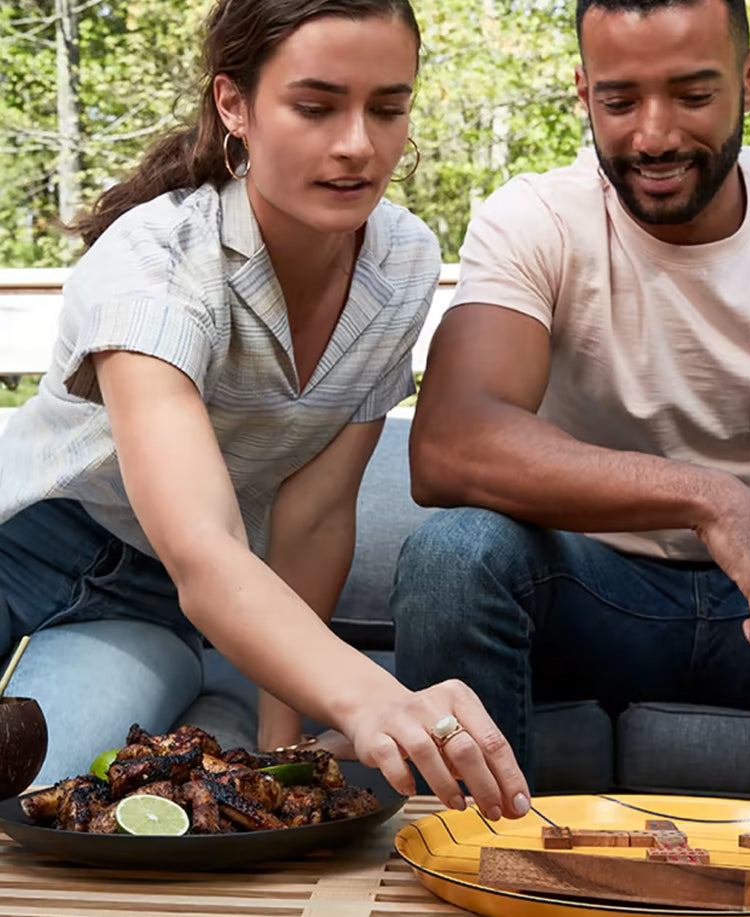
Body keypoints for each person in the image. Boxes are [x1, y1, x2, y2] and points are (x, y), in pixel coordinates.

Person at [0, 0, 530, 821]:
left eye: (387, 107)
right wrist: (369, 696)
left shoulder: (402, 261)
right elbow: (206, 547)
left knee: (43, 802)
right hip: (21, 546)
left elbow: (313, 517)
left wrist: (284, 750)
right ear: (233, 105)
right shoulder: (157, 259)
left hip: (143, 603)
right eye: (316, 107)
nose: (358, 143)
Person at [391, 0, 750, 800]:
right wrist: (711, 499)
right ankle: (471, 865)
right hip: (594, 601)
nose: (654, 135)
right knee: (451, 554)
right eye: (619, 99)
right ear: (582, 93)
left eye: (692, 94)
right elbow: (448, 445)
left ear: (749, 79)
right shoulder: (535, 217)